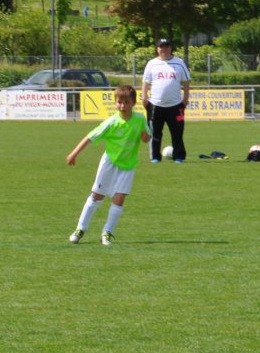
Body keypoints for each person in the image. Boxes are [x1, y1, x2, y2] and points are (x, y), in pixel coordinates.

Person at [65, 84, 152, 245]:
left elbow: (147, 137)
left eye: (126, 102)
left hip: (128, 165)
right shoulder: (111, 122)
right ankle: (80, 229)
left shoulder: (140, 119)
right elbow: (90, 137)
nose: (123, 106)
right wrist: (74, 154)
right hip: (109, 163)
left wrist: (146, 137)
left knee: (119, 198)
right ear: (115, 102)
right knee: (97, 196)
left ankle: (107, 232)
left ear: (133, 103)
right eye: (119, 102)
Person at [140, 38, 190, 163]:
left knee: (177, 133)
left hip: (176, 106)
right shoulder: (152, 64)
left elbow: (186, 82)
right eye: (161, 47)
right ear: (157, 49)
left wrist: (185, 98)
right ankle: (155, 157)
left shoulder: (179, 63)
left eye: (167, 47)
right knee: (154, 133)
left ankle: (179, 156)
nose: (164, 49)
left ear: (170, 48)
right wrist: (144, 97)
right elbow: (145, 83)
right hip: (155, 105)